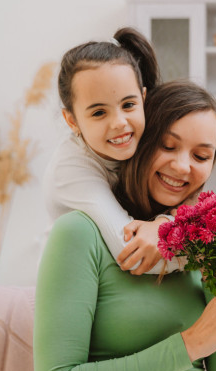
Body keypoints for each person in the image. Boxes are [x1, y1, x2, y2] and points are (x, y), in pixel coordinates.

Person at [34, 81, 216, 371]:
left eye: (201, 156)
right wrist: (192, 343)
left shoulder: (212, 247)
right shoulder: (79, 235)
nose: (181, 167)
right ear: (139, 141)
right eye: (167, 146)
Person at [43, 27, 173, 276]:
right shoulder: (70, 169)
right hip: (74, 286)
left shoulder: (145, 139)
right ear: (71, 121)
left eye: (128, 104)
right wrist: (210, 252)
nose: (120, 123)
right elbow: (133, 254)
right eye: (99, 112)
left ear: (143, 98)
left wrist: (164, 224)